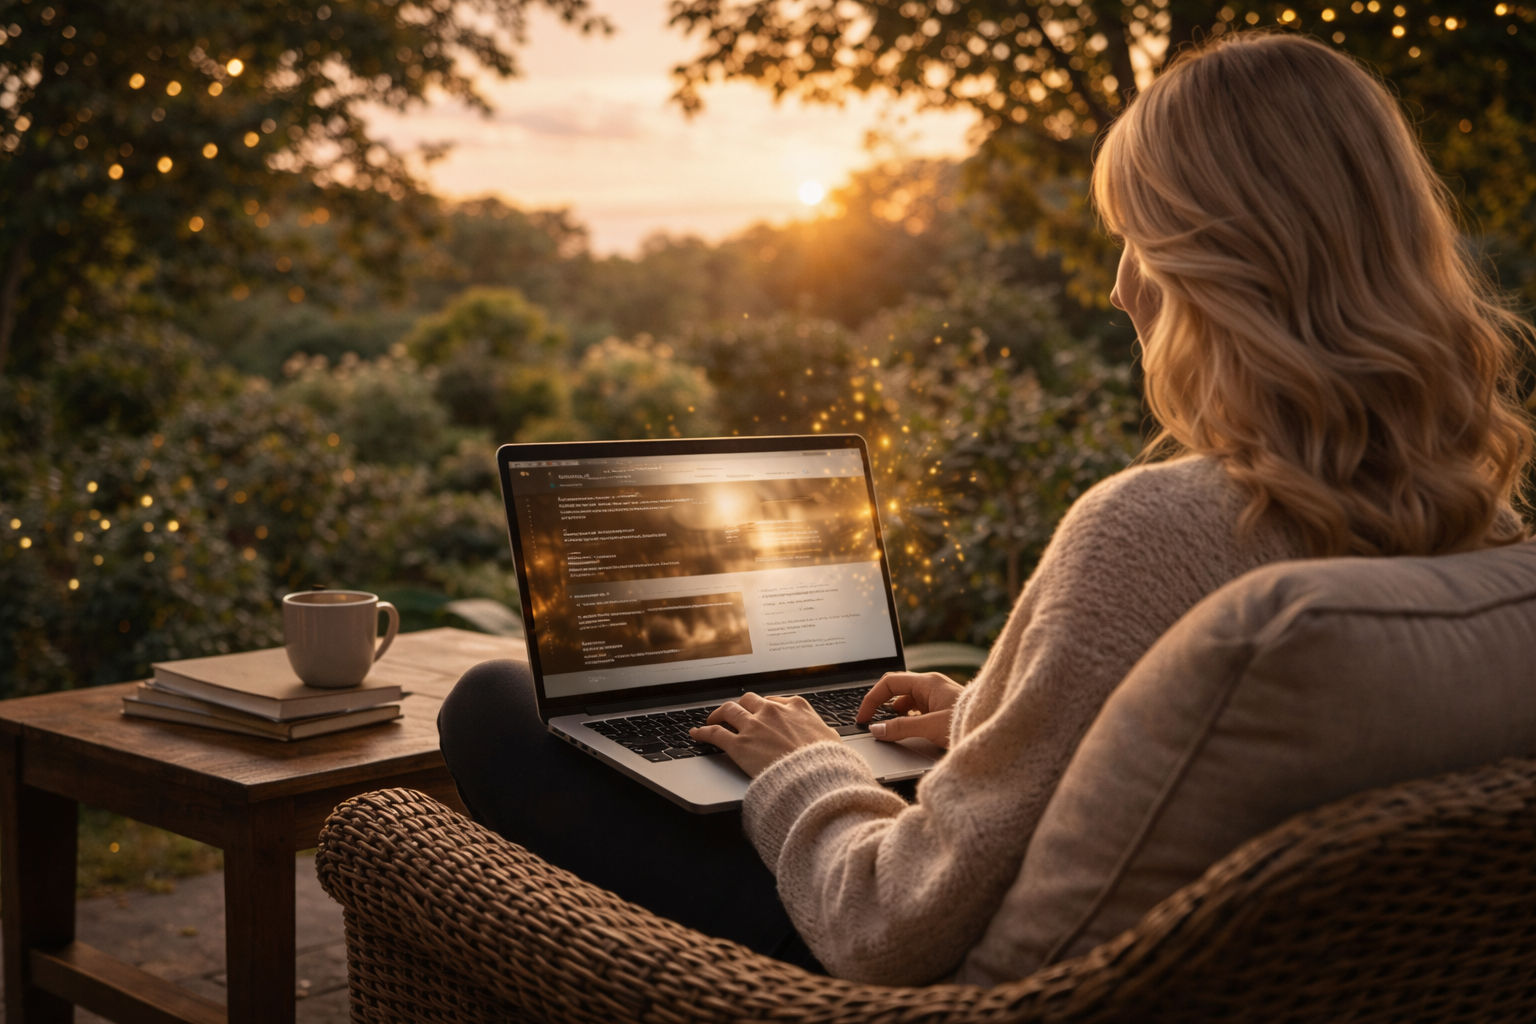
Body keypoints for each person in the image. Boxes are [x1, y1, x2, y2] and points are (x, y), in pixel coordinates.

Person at [439, 31, 1533, 986]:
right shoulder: (1478, 526)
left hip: (901, 973)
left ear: (1215, 267)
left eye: (1137, 240)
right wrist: (991, 718)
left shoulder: (1154, 529)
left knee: (493, 703)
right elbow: (1204, 753)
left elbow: (887, 923)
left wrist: (798, 761)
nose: (1116, 287)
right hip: (1246, 969)